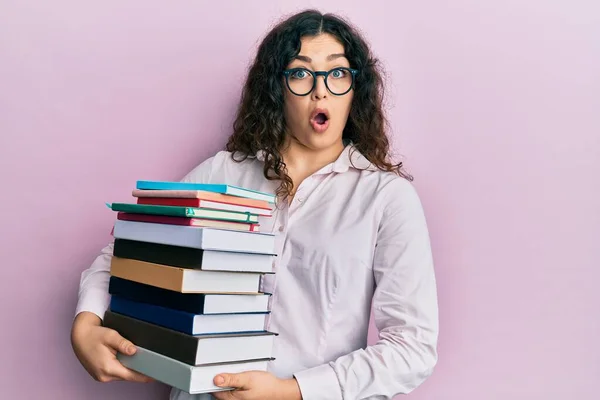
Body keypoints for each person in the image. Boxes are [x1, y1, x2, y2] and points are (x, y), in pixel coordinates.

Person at [70, 9, 439, 400]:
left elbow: (411, 349)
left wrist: (292, 391)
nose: (320, 91)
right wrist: (86, 324)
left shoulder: (386, 198)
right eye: (300, 73)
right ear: (275, 89)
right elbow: (129, 253)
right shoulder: (220, 174)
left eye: (338, 73)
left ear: (355, 90)